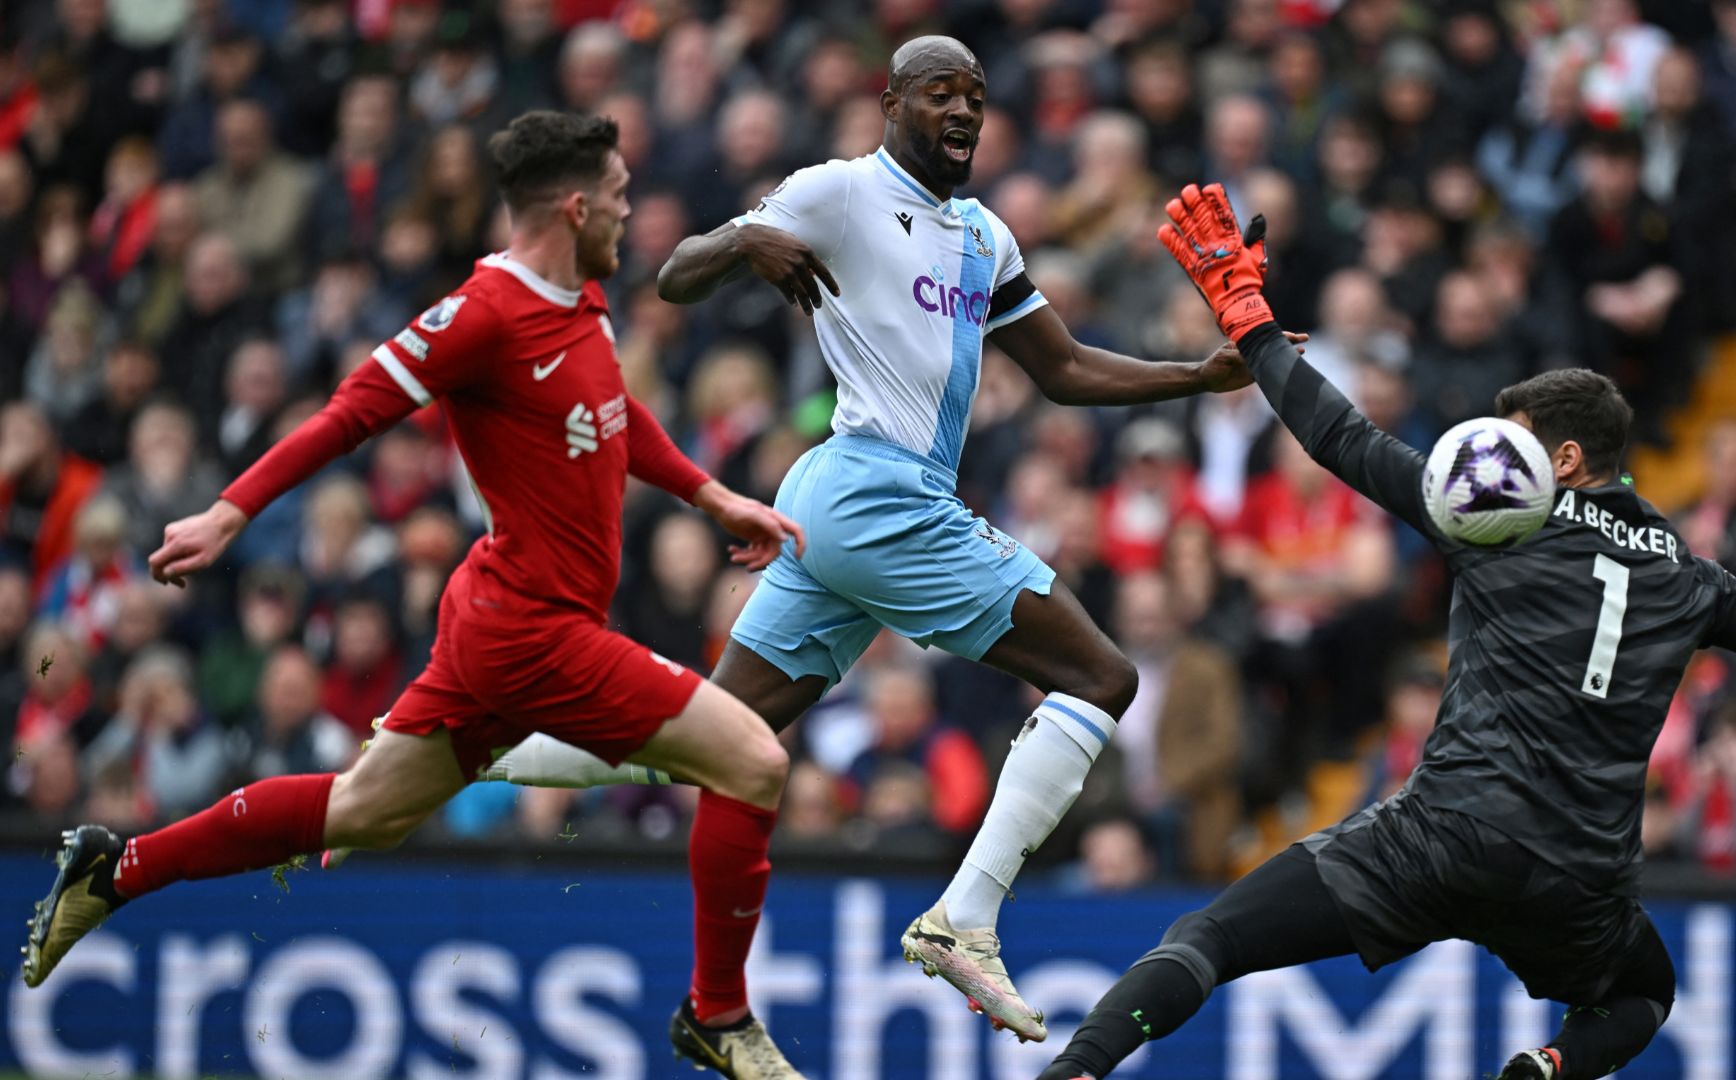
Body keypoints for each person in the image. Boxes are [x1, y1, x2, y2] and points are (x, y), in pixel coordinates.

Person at [1036, 182, 1736, 1080]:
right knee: (1642, 992)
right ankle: (1550, 1068)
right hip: (1580, 881)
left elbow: (1342, 439)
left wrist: (1250, 320)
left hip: (1444, 836)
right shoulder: (1690, 578)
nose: (1491, 456)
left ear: (1564, 462)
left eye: (1517, 439)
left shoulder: (1503, 511)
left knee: (1210, 936)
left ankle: (1078, 1068)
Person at [475, 36, 1259, 1046]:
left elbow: (1062, 370)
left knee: (714, 737)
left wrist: (1194, 378)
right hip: (875, 492)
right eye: (940, 93)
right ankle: (965, 919)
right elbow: (672, 276)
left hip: (846, 507)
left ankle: (474, 745)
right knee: (1101, 678)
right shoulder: (840, 190)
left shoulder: (983, 235)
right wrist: (739, 243)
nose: (964, 110)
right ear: (890, 103)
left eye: (976, 95)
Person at [20, 111, 813, 1080]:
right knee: (753, 762)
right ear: (573, 205)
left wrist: (711, 492)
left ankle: (115, 869)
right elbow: (352, 410)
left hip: (503, 618)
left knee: (364, 812)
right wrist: (229, 513)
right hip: (530, 631)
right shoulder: (480, 317)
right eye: (616, 196)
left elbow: (612, 409)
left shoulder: (581, 297)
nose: (628, 209)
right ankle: (717, 1013)